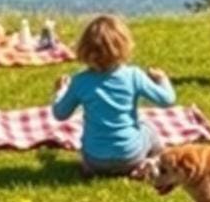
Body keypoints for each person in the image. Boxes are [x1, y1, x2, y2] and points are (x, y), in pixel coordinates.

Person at [51, 15, 175, 177]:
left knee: (90, 140)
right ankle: (153, 160)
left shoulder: (79, 81)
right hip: (131, 156)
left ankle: (89, 169)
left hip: (96, 160)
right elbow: (167, 100)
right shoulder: (133, 76)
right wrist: (162, 79)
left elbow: (60, 114)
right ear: (124, 46)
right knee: (147, 127)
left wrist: (61, 91)